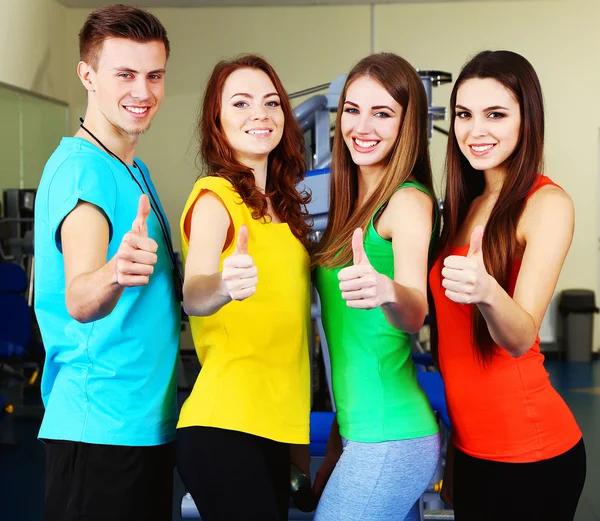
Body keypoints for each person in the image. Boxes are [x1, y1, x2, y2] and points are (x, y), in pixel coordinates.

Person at [34, 6, 180, 521]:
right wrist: (116, 272)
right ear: (88, 75)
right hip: (99, 430)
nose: (142, 92)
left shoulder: (130, 167)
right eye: (125, 74)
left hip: (142, 425)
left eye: (154, 75)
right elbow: (79, 294)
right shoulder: (83, 172)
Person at [429, 50, 586, 521]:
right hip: (473, 449)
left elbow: (519, 338)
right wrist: (457, 448)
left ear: (527, 119)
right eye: (464, 114)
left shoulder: (547, 203)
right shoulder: (467, 204)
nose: (476, 131)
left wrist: (487, 291)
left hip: (531, 452)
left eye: (496, 114)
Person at [175, 54, 312, 521]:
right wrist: (224, 285)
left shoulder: (283, 206)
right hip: (223, 422)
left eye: (272, 103)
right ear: (217, 121)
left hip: (273, 425)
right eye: (241, 103)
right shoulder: (217, 197)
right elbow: (194, 292)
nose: (260, 114)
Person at [311, 52, 441, 521]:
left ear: (407, 124)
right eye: (352, 109)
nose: (362, 126)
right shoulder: (353, 201)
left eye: (382, 113)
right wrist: (335, 447)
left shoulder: (406, 201)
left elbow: (415, 312)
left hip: (391, 435)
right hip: (360, 431)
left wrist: (388, 291)